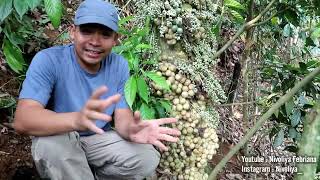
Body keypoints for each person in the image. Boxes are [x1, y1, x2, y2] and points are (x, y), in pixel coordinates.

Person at [13, 0, 181, 179]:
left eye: (105, 34)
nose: (95, 41)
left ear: (116, 39)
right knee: (50, 146)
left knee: (146, 157)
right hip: (60, 137)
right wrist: (77, 119)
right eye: (87, 31)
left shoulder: (119, 65)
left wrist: (132, 130)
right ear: (73, 32)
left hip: (97, 139)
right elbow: (23, 120)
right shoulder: (49, 60)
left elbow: (123, 118)